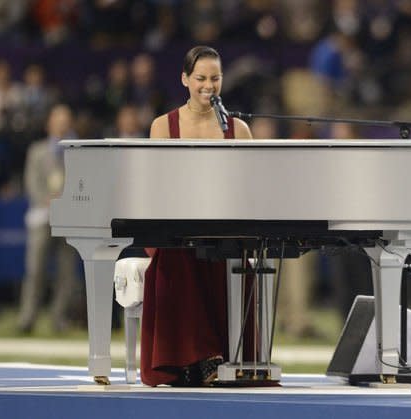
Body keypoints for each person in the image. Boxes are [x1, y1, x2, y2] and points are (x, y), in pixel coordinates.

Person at [140, 45, 253, 387]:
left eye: (215, 78)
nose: (209, 85)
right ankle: (200, 358)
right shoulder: (163, 126)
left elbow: (250, 188)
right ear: (185, 79)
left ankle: (211, 359)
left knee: (227, 253)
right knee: (181, 253)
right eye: (201, 78)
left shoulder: (239, 129)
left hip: (224, 227)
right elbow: (154, 187)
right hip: (175, 227)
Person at [17, 104, 81, 334]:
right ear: (49, 123)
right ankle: (27, 318)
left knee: (66, 273)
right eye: (58, 119)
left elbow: (82, 184)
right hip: (41, 217)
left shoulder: (77, 151)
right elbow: (31, 183)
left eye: (66, 119)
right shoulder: (37, 151)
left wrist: (66, 202)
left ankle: (59, 319)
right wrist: (47, 200)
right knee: (35, 270)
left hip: (68, 218)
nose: (62, 123)